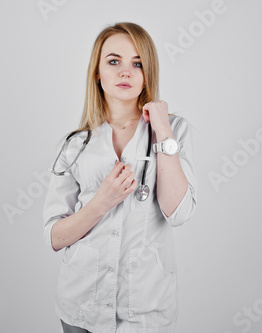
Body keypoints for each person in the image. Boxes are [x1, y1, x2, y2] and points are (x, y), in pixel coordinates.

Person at [42, 22, 198, 333]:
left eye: (137, 63)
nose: (125, 72)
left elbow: (178, 212)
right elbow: (54, 237)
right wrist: (101, 202)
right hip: (81, 305)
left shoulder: (173, 130)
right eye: (114, 61)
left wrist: (162, 129)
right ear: (97, 72)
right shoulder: (75, 145)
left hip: (145, 308)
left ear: (147, 73)